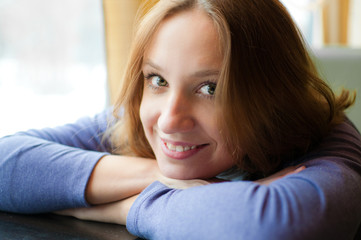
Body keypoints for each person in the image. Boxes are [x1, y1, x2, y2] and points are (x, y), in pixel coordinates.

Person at [1, 0, 361, 239]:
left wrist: (116, 208)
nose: (170, 120)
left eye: (210, 88)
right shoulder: (139, 116)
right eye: (157, 79)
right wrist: (158, 176)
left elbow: (269, 226)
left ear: (271, 97)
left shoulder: (331, 146)